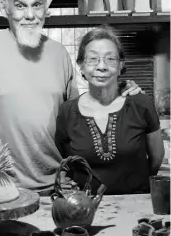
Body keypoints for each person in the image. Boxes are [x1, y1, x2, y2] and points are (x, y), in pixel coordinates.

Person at [0, 0, 143, 192]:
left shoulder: (59, 53)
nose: (30, 15)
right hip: (0, 188)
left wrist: (117, 91)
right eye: (20, 5)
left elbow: (78, 117)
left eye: (37, 4)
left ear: (45, 8)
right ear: (6, 8)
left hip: (56, 187)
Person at [55, 25, 165, 195]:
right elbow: (65, 163)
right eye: (93, 59)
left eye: (110, 59)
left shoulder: (141, 104)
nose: (102, 66)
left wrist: (141, 185)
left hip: (135, 205)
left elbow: (156, 158)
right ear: (81, 66)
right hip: (83, 208)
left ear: (121, 65)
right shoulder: (67, 112)